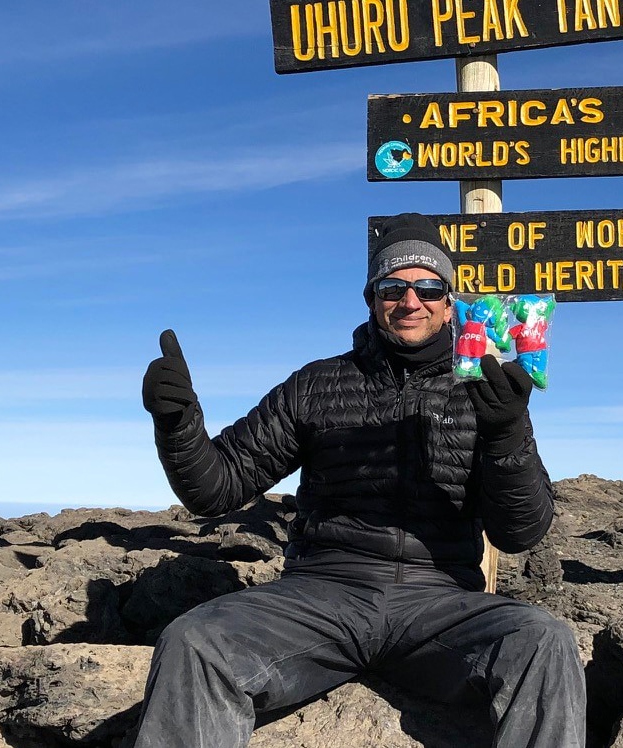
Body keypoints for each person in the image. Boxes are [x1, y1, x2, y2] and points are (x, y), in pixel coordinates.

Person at [136, 212, 586, 747]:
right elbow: (217, 489)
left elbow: (520, 533)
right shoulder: (317, 384)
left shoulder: (488, 389)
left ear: (450, 301)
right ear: (372, 298)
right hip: (321, 595)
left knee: (545, 640)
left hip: (439, 602)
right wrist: (178, 424)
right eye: (392, 287)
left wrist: (508, 430)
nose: (410, 300)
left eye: (428, 287)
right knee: (194, 642)